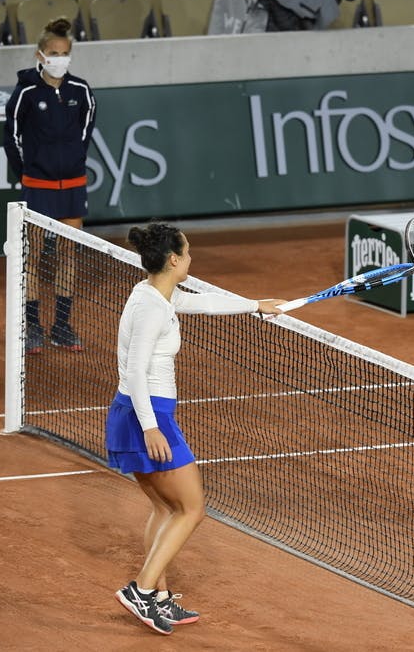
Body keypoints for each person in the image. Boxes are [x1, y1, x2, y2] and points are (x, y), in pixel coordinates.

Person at [108, 222, 285, 634]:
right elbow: (135, 370)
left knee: (165, 508)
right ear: (173, 259)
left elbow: (203, 303)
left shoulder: (151, 293)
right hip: (147, 415)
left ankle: (159, 597)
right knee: (192, 508)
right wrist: (151, 428)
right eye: (187, 253)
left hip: (133, 414)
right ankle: (141, 589)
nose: (191, 258)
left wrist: (255, 305)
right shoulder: (153, 308)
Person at [3, 17, 97, 355]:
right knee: (32, 257)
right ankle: (32, 327)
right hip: (38, 186)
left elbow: (84, 136)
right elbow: (11, 140)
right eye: (54, 52)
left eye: (65, 52)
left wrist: (71, 162)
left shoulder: (82, 91)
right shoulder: (25, 93)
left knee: (68, 255)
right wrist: (29, 172)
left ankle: (61, 326)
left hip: (72, 185)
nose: (60, 58)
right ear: (40, 55)